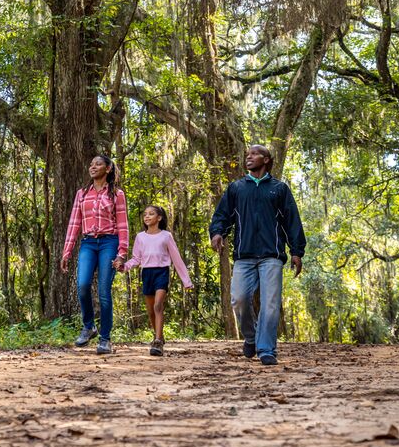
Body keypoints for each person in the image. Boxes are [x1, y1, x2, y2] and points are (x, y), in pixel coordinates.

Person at [210, 145, 306, 366]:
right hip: (244, 255)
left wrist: (296, 252)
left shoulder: (279, 189)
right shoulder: (236, 188)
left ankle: (266, 349)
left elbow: (292, 221)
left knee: (270, 303)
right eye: (247, 155)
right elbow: (223, 215)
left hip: (271, 255)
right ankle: (252, 338)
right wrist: (217, 233)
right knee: (239, 299)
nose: (249, 157)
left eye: (254, 154)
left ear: (266, 159)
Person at [60, 155, 129, 355]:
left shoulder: (117, 194)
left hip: (109, 242)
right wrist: (67, 251)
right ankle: (89, 326)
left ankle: (105, 339)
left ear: (107, 169)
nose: (93, 167)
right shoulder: (82, 194)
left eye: (98, 164)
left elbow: (123, 225)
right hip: (88, 242)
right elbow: (74, 223)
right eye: (91, 164)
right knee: (82, 285)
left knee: (104, 291)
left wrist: (122, 252)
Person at [115, 205, 193, 356]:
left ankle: (157, 342)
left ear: (159, 218)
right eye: (145, 214)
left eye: (151, 214)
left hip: (162, 272)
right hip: (147, 273)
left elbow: (176, 259)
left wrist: (186, 281)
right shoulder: (140, 237)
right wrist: (124, 267)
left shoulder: (166, 236)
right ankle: (159, 336)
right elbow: (137, 258)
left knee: (158, 305)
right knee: (151, 310)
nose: (147, 216)